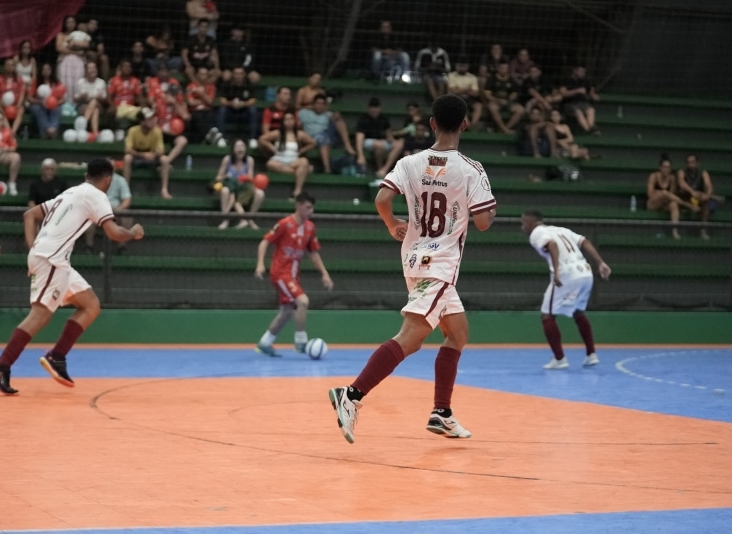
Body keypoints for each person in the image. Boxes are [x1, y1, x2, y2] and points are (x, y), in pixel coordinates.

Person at [328, 94, 497, 444]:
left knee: (458, 332)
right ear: (465, 124)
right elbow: (482, 222)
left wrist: (393, 224)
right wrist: (487, 209)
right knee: (411, 337)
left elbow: (382, 199)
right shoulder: (471, 169)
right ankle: (352, 394)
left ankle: (442, 413)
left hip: (414, 260)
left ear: (432, 123)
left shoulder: (409, 162)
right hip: (440, 265)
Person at [0, 158, 145, 395]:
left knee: (91, 305)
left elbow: (30, 215)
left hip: (54, 259)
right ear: (108, 180)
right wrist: (132, 232)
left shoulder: (71, 192)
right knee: (40, 314)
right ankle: (1, 365)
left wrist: (34, 249)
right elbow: (113, 233)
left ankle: (57, 356)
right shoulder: (97, 196)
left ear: (87, 175)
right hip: (52, 259)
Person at [520, 209, 611, 370]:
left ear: (530, 222)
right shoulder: (561, 229)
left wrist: (556, 271)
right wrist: (600, 262)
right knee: (578, 312)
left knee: (547, 315)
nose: (522, 227)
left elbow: (552, 244)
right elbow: (584, 241)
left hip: (567, 274)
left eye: (523, 223)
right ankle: (591, 354)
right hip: (585, 272)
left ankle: (559, 359)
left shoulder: (536, 233)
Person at [254, 191, 333, 357]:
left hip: (293, 275)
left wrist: (324, 273)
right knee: (303, 301)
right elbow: (265, 242)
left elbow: (313, 253)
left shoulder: (310, 227)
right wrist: (260, 264)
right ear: (298, 205)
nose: (311, 211)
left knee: (287, 311)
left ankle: (264, 343)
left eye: (312, 208)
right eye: (307, 207)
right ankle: (300, 342)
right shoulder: (285, 224)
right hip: (280, 272)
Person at [258, 110, 316, 200]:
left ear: (294, 121)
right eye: (286, 119)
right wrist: (272, 147)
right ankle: (301, 172)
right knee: (270, 164)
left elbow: (312, 143)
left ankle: (297, 191)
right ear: (283, 122)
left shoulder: (299, 134)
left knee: (304, 161)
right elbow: (262, 139)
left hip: (293, 160)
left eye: (291, 119)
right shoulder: (278, 133)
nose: (289, 121)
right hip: (279, 159)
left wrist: (302, 151)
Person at [298, 93, 356, 174]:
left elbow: (336, 121)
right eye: (318, 103)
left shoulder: (328, 114)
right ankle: (327, 168)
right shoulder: (303, 113)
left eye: (322, 104)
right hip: (309, 138)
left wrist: (337, 117)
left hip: (327, 136)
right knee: (322, 138)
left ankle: (347, 145)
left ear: (325, 106)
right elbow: (297, 113)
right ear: (313, 104)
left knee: (339, 122)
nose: (320, 106)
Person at [213, 138, 264, 229]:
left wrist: (243, 179)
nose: (240, 148)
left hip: (244, 188)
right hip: (231, 188)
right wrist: (226, 177)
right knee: (225, 191)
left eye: (242, 146)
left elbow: (250, 177)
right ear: (233, 149)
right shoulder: (227, 159)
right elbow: (218, 177)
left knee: (260, 193)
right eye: (237, 146)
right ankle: (225, 220)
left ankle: (250, 219)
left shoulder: (249, 160)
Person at [123, 107, 173, 199]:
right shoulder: (133, 131)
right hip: (137, 157)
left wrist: (153, 155)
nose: (153, 121)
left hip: (152, 157)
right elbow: (128, 149)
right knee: (127, 158)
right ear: (142, 121)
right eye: (149, 119)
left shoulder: (157, 131)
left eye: (153, 118)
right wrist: (142, 155)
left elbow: (161, 150)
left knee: (165, 159)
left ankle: (164, 189)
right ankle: (126, 190)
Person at [647, 155, 697, 240]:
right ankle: (687, 205)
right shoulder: (654, 176)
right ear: (660, 168)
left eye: (668, 167)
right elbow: (650, 194)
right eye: (664, 167)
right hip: (653, 203)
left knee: (674, 204)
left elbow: (671, 195)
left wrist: (663, 194)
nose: (666, 169)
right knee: (665, 193)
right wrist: (662, 194)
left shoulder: (672, 178)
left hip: (665, 203)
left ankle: (675, 231)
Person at [84, 171, 133, 254]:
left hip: (115, 211)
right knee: (88, 216)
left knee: (127, 217)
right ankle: (89, 247)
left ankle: (121, 248)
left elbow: (127, 200)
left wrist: (119, 209)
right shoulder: (94, 180)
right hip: (98, 211)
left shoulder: (120, 180)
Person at [677, 154, 715, 240]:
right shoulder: (682, 172)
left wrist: (707, 196)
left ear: (697, 163)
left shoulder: (703, 173)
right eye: (689, 162)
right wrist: (692, 191)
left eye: (693, 162)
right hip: (686, 197)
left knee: (706, 203)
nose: (691, 164)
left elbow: (709, 186)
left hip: (699, 197)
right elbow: (681, 183)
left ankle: (703, 229)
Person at [27, 63, 66, 139]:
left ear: (51, 71)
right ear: (41, 71)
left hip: (52, 105)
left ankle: (53, 129)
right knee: (37, 108)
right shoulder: (35, 82)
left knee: (58, 109)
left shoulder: (57, 83)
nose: (46, 71)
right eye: (44, 69)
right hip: (38, 104)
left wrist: (55, 103)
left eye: (48, 69)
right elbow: (29, 98)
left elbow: (63, 99)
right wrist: (40, 102)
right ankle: (47, 129)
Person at [559, 65, 600, 135]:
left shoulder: (585, 81)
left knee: (591, 110)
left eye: (584, 72)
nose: (582, 73)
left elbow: (591, 91)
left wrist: (593, 95)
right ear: (574, 71)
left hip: (582, 102)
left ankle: (591, 127)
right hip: (569, 103)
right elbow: (563, 93)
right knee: (578, 112)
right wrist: (577, 91)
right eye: (580, 71)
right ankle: (587, 130)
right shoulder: (566, 80)